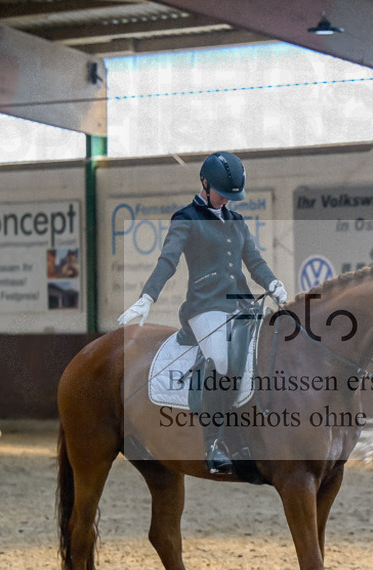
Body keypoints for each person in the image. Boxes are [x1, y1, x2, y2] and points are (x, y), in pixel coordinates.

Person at [117, 151, 288, 474]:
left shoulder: (237, 222)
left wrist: (274, 282)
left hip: (241, 304)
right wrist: (146, 298)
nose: (227, 200)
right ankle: (214, 443)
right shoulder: (186, 219)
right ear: (205, 184)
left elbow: (254, 262)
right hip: (205, 307)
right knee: (221, 360)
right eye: (223, 193)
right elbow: (167, 261)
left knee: (264, 352)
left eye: (232, 195)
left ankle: (253, 434)